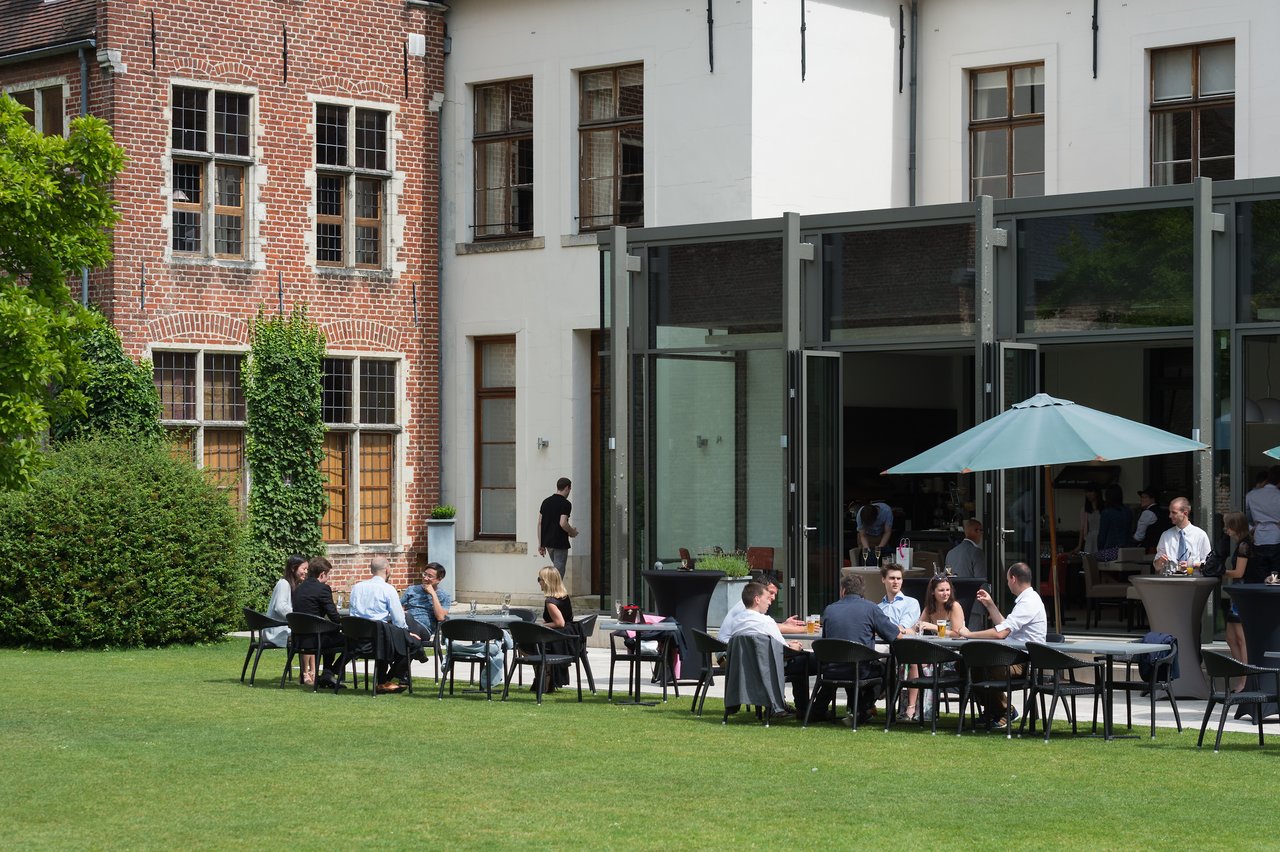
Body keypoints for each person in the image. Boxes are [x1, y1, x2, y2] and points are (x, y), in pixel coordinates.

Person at [954, 562, 1047, 730]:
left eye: (1007, 580)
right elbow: (1006, 627)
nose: (1007, 583)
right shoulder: (1026, 600)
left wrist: (968, 635)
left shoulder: (1029, 602)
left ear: (1013, 578)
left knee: (979, 665)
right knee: (964, 663)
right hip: (1012, 658)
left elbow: (1000, 633)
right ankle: (995, 710)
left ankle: (1004, 711)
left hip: (1023, 662)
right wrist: (990, 604)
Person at [813, 572, 902, 724]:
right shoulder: (870, 608)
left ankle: (817, 710)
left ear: (843, 590)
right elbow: (895, 636)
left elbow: (827, 638)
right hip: (859, 669)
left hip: (830, 669)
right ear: (862, 592)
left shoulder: (829, 609)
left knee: (847, 664)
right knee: (886, 669)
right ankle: (862, 709)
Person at [721, 581, 813, 719]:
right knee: (805, 660)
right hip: (767, 668)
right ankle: (804, 710)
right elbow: (782, 650)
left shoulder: (737, 622)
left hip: (745, 667)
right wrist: (794, 647)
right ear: (757, 599)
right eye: (767, 598)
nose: (770, 602)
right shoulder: (766, 621)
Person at [348, 555, 420, 693]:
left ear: (371, 570)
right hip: (380, 640)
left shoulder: (357, 587)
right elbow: (399, 620)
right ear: (387, 570)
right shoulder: (387, 589)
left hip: (357, 640)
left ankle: (383, 680)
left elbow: (353, 613)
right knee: (414, 644)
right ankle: (386, 679)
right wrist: (406, 633)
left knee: (393, 638)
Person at [290, 556, 348, 689]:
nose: (328, 579)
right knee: (352, 641)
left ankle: (327, 675)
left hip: (299, 639)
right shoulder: (323, 589)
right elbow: (334, 617)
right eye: (327, 575)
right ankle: (329, 672)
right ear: (322, 574)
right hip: (316, 640)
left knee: (331, 634)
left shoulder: (298, 588)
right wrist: (344, 626)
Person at [915, 575, 966, 720]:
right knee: (912, 665)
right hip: (936, 653)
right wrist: (903, 631)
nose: (945, 593)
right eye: (941, 590)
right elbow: (917, 626)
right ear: (933, 592)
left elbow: (957, 633)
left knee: (928, 668)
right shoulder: (929, 608)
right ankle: (910, 710)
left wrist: (934, 627)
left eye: (948, 590)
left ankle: (927, 713)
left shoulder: (954, 606)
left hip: (954, 654)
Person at [878, 563, 920, 721]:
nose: (895, 582)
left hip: (904, 647)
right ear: (883, 580)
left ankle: (910, 708)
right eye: (891, 578)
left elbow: (904, 628)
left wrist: (883, 628)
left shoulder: (911, 602)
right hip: (882, 648)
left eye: (899, 578)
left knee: (913, 660)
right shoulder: (878, 607)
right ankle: (869, 702)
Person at [717, 572, 806, 637]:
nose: (773, 597)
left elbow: (764, 626)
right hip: (728, 656)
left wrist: (784, 624)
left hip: (735, 654)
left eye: (775, 594)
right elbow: (768, 626)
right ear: (760, 589)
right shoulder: (748, 607)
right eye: (771, 593)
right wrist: (805, 629)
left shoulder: (748, 604)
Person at [1221, 511, 1251, 692]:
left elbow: (1239, 573)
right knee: (1230, 638)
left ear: (1235, 527)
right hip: (1236, 596)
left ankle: (1245, 681)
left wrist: (1221, 572)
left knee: (1240, 639)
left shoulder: (1244, 546)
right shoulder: (1241, 544)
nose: (1226, 530)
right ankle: (1242, 676)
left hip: (1242, 595)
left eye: (1228, 526)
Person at [536, 565, 577, 688]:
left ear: (546, 582)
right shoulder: (564, 596)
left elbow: (560, 623)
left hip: (558, 639)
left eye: (540, 579)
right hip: (569, 637)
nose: (539, 582)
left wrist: (542, 626)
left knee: (525, 645)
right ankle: (544, 675)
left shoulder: (551, 602)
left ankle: (544, 674)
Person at [1153, 497, 1212, 573]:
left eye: (1174, 512)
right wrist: (1160, 561)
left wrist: (1192, 564)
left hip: (1193, 581)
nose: (1170, 516)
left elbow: (1208, 564)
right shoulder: (1166, 535)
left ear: (1185, 513)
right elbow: (1157, 567)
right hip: (1170, 581)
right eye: (1170, 512)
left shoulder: (1200, 535)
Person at [537, 477, 579, 577]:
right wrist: (572, 532)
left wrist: (541, 544)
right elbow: (563, 523)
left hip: (548, 543)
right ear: (567, 488)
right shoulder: (566, 504)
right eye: (569, 489)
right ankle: (554, 592)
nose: (569, 491)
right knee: (558, 572)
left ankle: (555, 591)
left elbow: (540, 523)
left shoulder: (545, 502)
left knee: (556, 570)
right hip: (560, 542)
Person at [264, 553, 307, 651]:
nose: (306, 572)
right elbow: (280, 608)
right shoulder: (284, 584)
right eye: (303, 569)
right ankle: (309, 666)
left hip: (282, 628)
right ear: (293, 568)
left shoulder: (293, 585)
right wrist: (297, 617)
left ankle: (307, 666)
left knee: (308, 636)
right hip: (277, 631)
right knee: (309, 637)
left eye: (307, 569)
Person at [1244, 466, 1280, 580]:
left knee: (1260, 574)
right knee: (1276, 574)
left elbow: (1246, 516)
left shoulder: (1251, 495)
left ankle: (1263, 594)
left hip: (1258, 536)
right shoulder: (1278, 495)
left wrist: (1252, 528)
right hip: (1276, 536)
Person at [401, 562, 450, 640]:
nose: (425, 578)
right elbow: (400, 608)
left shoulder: (444, 596)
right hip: (405, 624)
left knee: (408, 618)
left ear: (439, 579)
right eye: (425, 574)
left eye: (430, 576)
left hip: (423, 629)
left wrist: (433, 594)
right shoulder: (412, 589)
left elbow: (441, 617)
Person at [1095, 484, 1132, 559]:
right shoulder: (1128, 511)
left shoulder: (1107, 512)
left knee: (1088, 558)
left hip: (1111, 550)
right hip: (1127, 550)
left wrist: (1100, 550)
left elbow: (1102, 536)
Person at [1074, 487, 1102, 554]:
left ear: (1097, 493)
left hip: (1101, 537)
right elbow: (1082, 528)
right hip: (1090, 538)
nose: (1088, 494)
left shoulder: (1104, 508)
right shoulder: (1085, 509)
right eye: (1087, 492)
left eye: (1090, 491)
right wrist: (1079, 545)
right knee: (1089, 560)